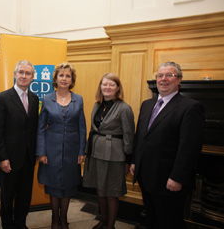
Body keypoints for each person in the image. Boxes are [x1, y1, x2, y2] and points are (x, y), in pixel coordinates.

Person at [129, 62, 205, 229]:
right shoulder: (147, 104)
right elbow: (140, 136)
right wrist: (135, 161)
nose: (164, 79)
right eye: (160, 75)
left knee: (170, 222)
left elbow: (190, 147)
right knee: (152, 219)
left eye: (170, 75)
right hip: (146, 175)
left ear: (179, 80)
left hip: (168, 180)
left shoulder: (190, 107)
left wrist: (178, 177)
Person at [36, 62, 86, 229]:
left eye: (67, 76)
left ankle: (63, 219)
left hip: (72, 150)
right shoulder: (46, 99)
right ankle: (54, 220)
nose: (64, 78)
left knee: (69, 185)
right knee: (53, 185)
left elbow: (82, 127)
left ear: (72, 80)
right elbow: (41, 128)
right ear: (55, 78)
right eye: (61, 75)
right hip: (51, 149)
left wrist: (81, 151)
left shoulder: (78, 99)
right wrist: (41, 152)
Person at [83, 73, 135, 229]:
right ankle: (103, 220)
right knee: (100, 191)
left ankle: (110, 225)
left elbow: (129, 135)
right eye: (105, 84)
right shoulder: (97, 105)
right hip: (96, 153)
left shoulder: (124, 108)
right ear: (100, 86)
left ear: (118, 88)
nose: (107, 87)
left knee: (111, 193)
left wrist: (128, 160)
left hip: (115, 156)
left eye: (112, 85)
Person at [0, 60, 39, 229]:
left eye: (28, 73)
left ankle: (20, 224)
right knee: (7, 197)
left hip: (28, 158)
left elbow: (33, 128)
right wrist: (2, 158)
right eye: (21, 72)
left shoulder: (34, 99)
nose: (24, 76)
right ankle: (7, 226)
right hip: (9, 159)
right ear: (15, 74)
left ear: (32, 77)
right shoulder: (2, 98)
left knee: (24, 196)